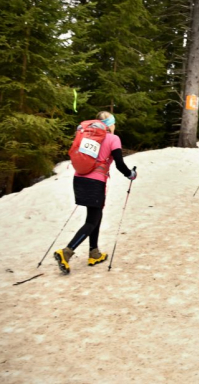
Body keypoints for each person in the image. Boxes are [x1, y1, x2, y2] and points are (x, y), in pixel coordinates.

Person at [54, 111, 137, 275]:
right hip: (96, 182)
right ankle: (66, 252)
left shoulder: (87, 137)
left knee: (94, 215)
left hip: (79, 179)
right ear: (110, 124)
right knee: (92, 220)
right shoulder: (113, 138)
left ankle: (94, 252)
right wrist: (131, 174)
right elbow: (119, 163)